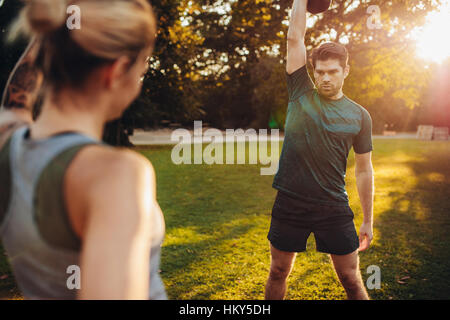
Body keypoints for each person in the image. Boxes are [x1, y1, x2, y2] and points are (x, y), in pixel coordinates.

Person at [0, 0, 166, 300]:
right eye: (141, 70)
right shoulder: (116, 175)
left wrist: (62, 28)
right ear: (116, 72)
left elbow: (15, 101)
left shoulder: (7, 142)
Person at [265, 0, 374, 300]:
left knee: (351, 278)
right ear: (313, 71)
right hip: (290, 203)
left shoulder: (359, 116)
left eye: (333, 72)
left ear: (345, 71)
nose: (326, 78)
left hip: (333, 206)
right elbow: (294, 38)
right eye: (321, 71)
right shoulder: (300, 93)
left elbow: (365, 169)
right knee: (277, 271)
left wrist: (368, 218)